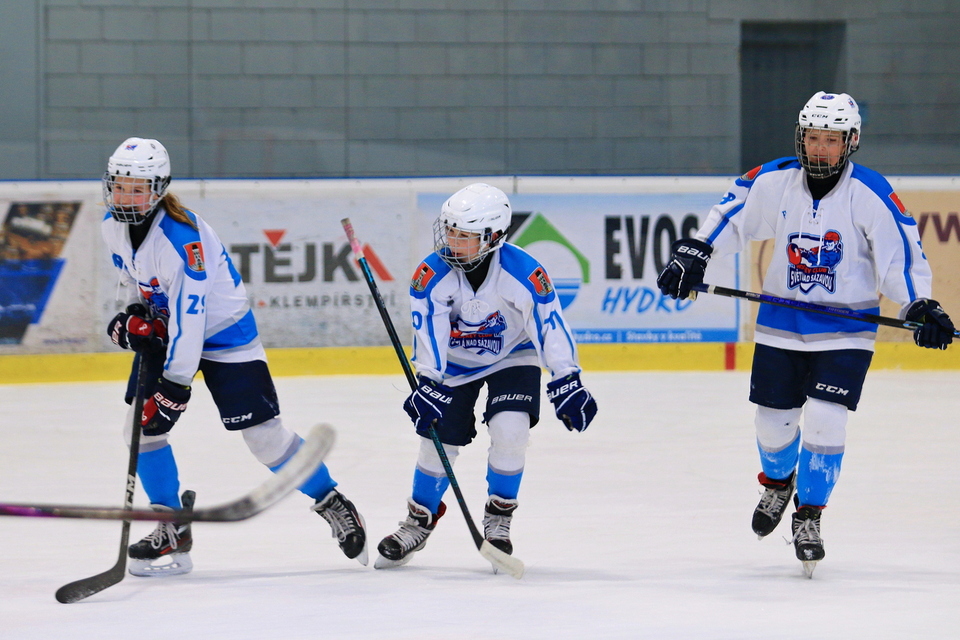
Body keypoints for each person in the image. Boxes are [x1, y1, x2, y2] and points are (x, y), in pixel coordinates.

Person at [657, 92, 955, 574]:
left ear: (850, 142)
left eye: (831, 141)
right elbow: (732, 213)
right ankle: (778, 484)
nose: (819, 149)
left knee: (824, 419)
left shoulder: (871, 192)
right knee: (771, 424)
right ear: (800, 137)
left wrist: (919, 304)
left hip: (846, 329)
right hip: (782, 325)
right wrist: (697, 252)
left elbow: (901, 256)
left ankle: (809, 514)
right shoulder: (775, 180)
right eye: (813, 138)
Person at [101, 137, 368, 576]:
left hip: (223, 331)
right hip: (173, 329)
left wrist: (174, 388)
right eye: (120, 186)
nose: (126, 197)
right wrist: (134, 315)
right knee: (141, 427)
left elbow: (193, 319)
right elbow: (133, 278)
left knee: (265, 438)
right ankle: (171, 524)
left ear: (158, 189)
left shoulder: (179, 240)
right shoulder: (112, 224)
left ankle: (331, 500)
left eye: (137, 188)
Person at [375, 183, 598, 569]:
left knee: (511, 431)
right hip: (453, 363)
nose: (452, 241)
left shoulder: (523, 272)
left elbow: (548, 324)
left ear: (493, 237)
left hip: (512, 355)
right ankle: (419, 519)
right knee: (437, 442)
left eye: (464, 235)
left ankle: (499, 517)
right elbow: (429, 331)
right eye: (450, 230)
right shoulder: (431, 274)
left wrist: (567, 377)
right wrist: (428, 381)